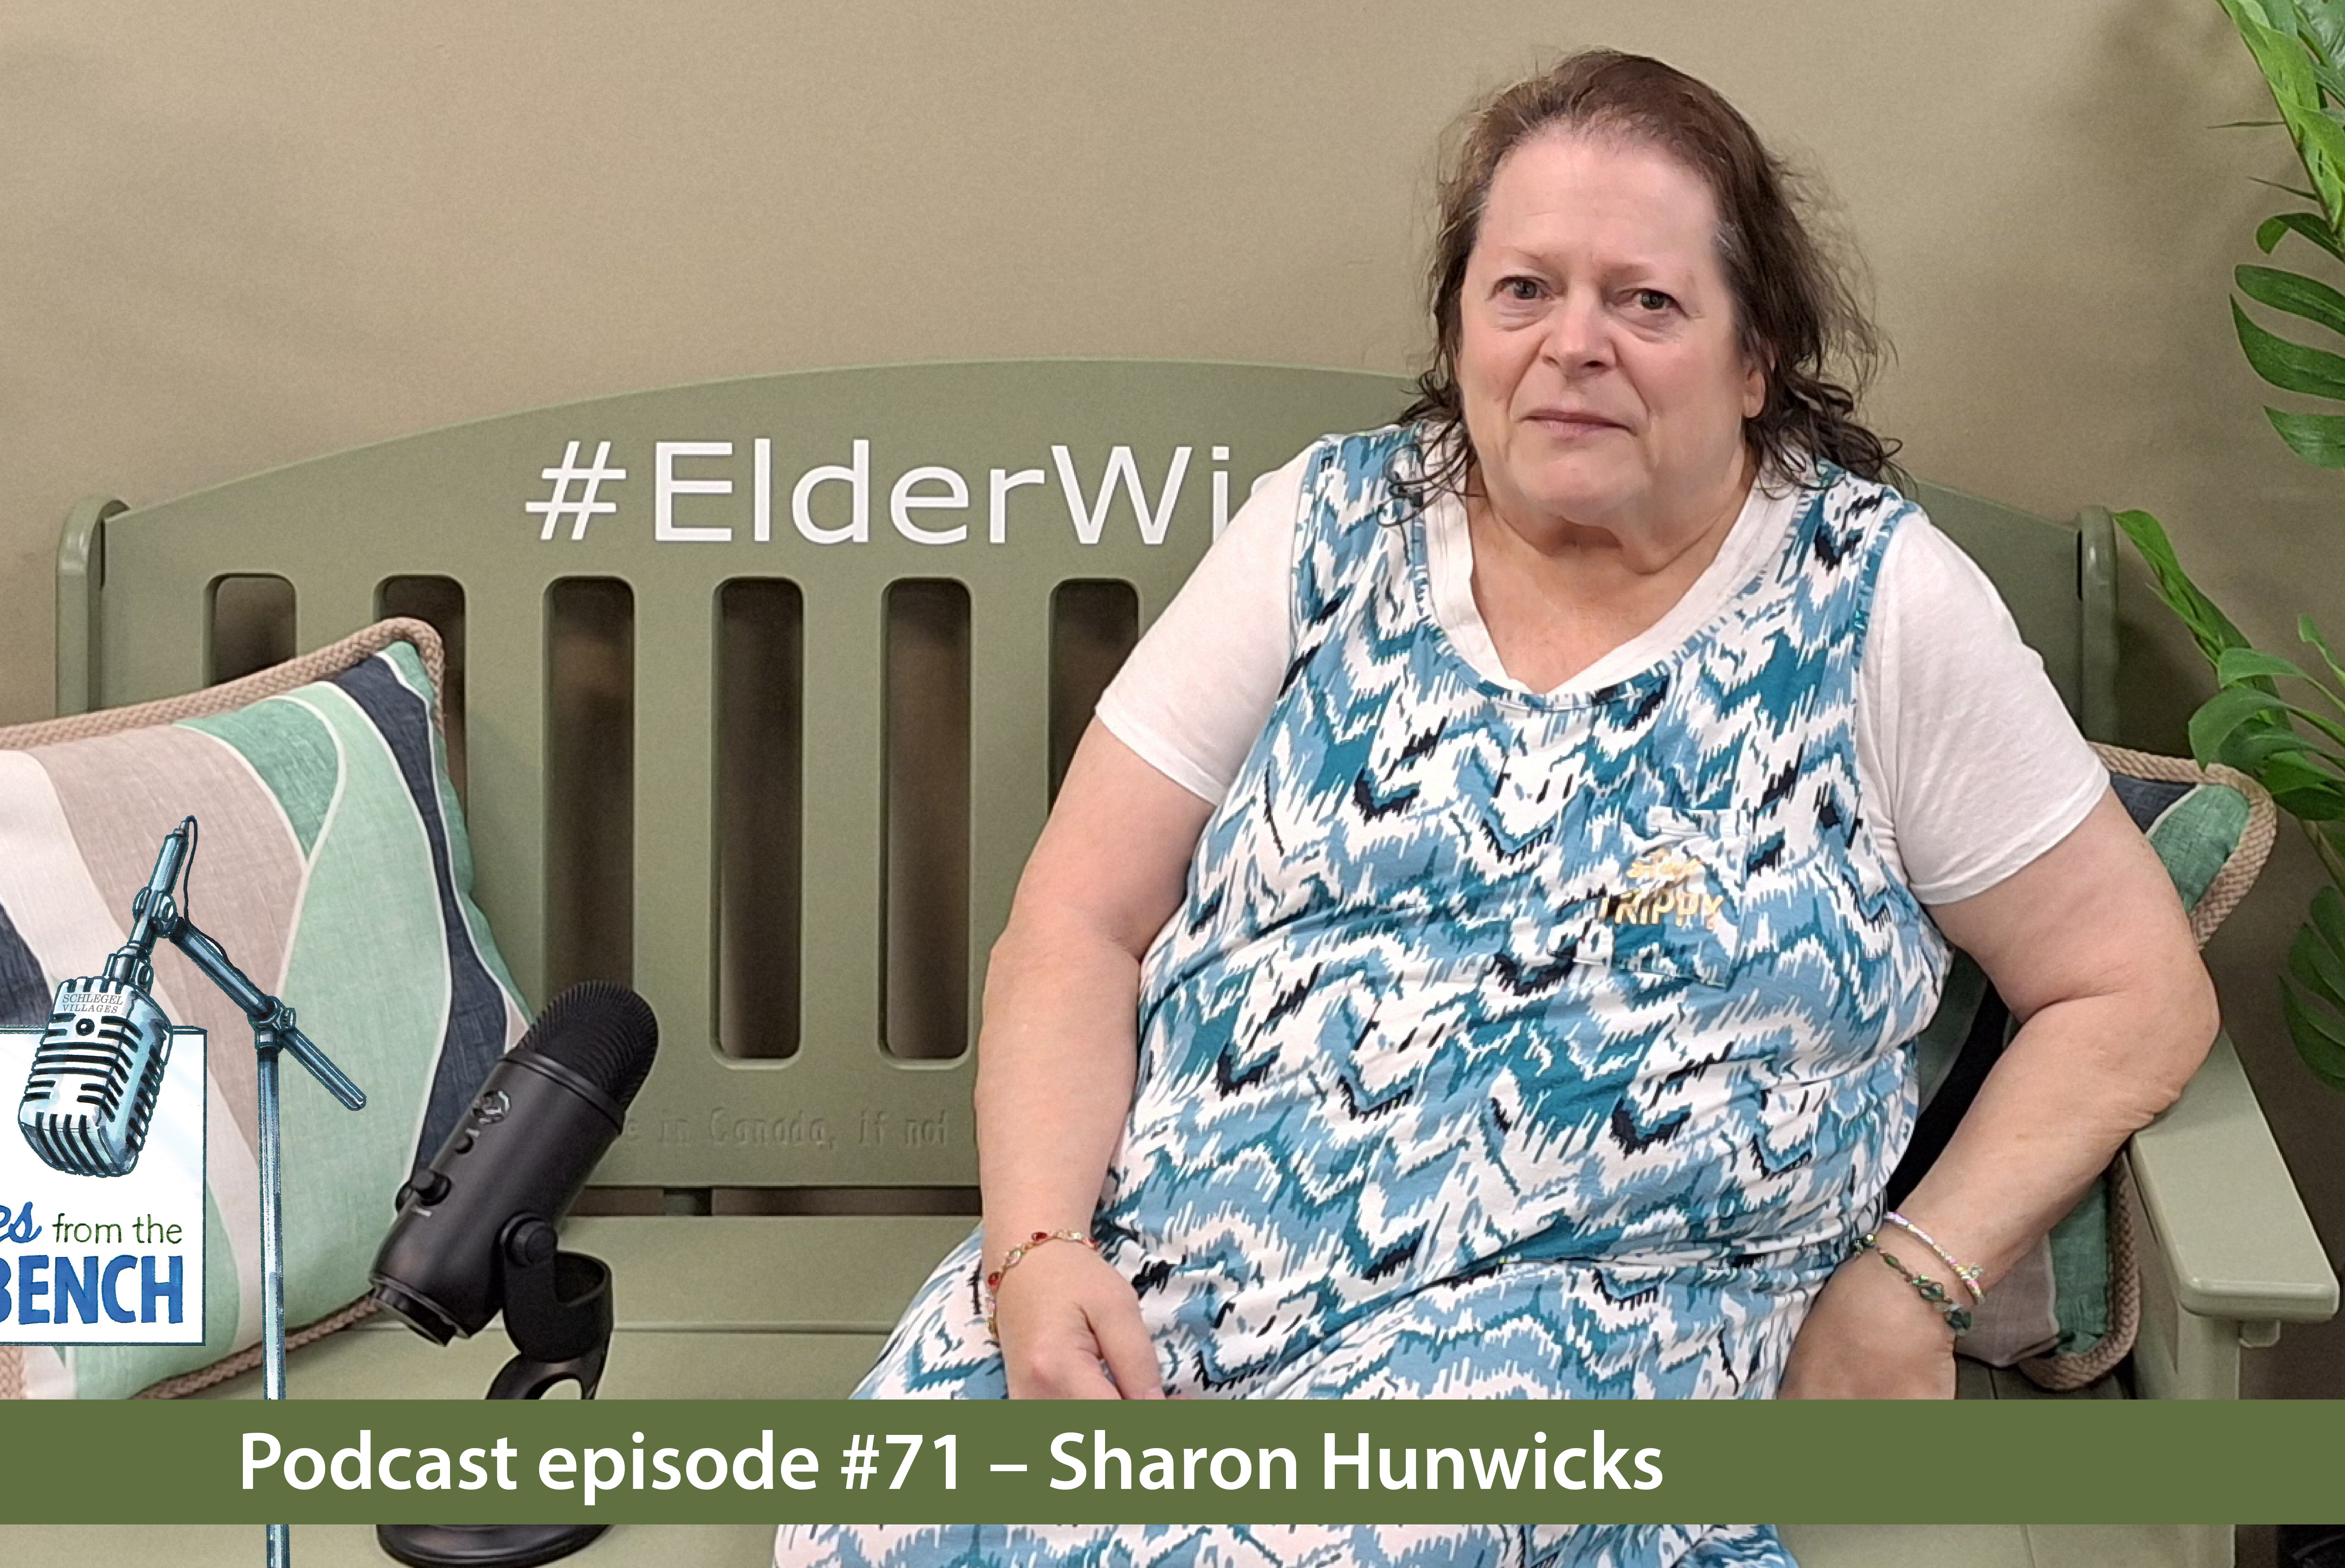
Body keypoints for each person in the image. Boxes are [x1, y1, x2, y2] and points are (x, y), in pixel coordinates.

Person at [777, 47, 2214, 1568]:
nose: (1570, 345)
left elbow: (2129, 988)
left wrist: (1909, 1273)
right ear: (1459, 326)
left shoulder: (1871, 604)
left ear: (1753, 354)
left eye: (1644, 301)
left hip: (1570, 1324)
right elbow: (1075, 919)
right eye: (1520, 290)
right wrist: (1039, 1251)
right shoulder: (1325, 526)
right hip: (1169, 1259)